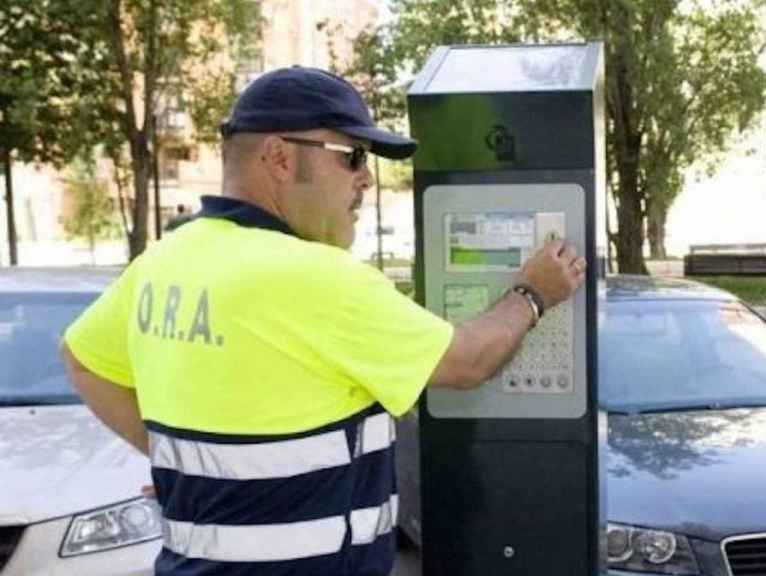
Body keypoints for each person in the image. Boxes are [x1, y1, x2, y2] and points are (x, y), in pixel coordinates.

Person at [60, 66, 586, 575]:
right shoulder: (315, 277)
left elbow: (83, 361)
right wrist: (532, 292)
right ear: (279, 157)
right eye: (353, 157)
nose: (366, 181)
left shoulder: (166, 259)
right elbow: (468, 361)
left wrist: (183, 470)